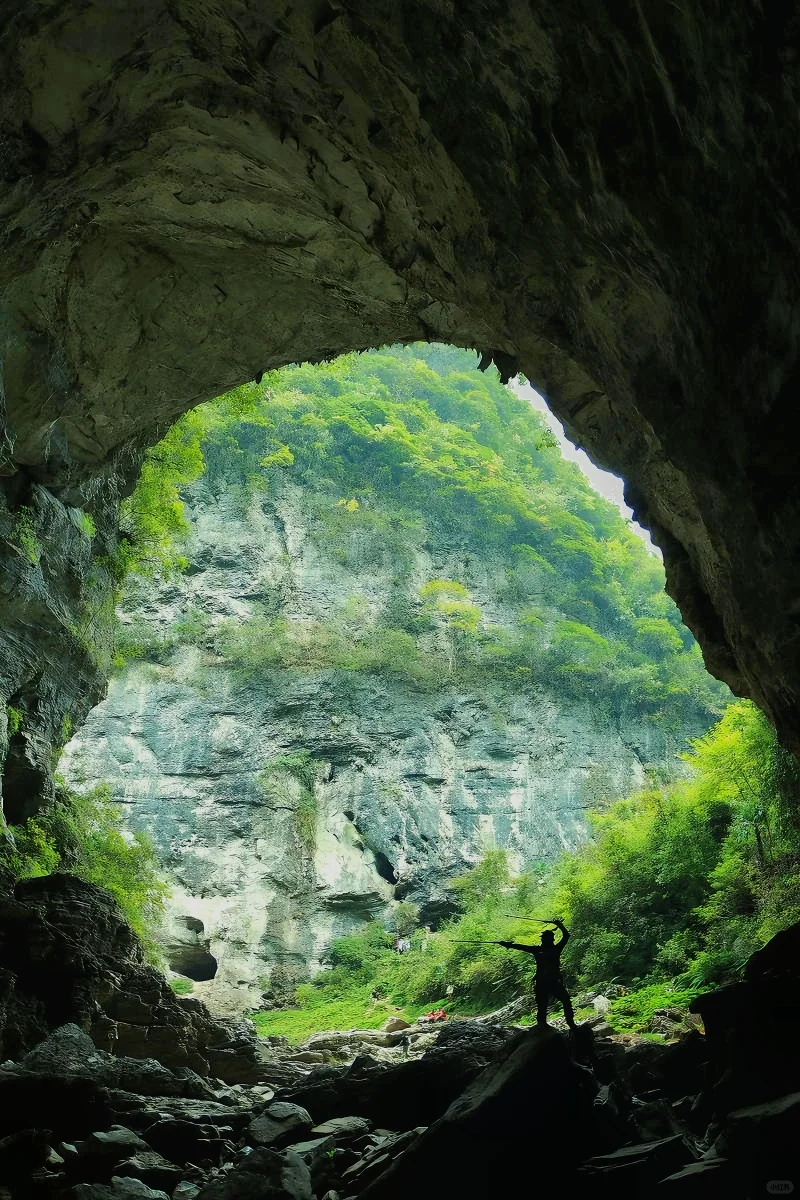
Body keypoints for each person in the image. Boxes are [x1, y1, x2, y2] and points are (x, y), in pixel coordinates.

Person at [499, 918, 576, 1029]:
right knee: (562, 1002)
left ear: (546, 940)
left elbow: (521, 947)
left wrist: (508, 945)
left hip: (544, 982)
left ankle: (545, 1026)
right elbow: (566, 936)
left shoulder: (538, 950)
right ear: (553, 939)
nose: (543, 941)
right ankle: (569, 1024)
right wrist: (559, 925)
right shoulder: (555, 949)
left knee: (544, 1005)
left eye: (544, 939)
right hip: (551, 982)